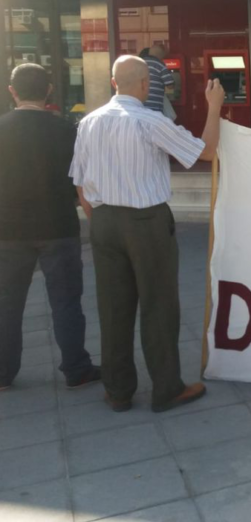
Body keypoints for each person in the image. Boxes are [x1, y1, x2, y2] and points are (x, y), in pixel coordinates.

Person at [70, 56, 225, 413]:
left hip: (103, 220)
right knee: (158, 305)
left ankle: (118, 390)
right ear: (144, 85)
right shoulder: (149, 120)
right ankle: (167, 388)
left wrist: (99, 219)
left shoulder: (88, 122)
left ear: (113, 83)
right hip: (146, 222)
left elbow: (79, 182)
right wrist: (213, 108)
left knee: (113, 309)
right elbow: (207, 152)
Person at [0, 64, 99, 392]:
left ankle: (3, 373)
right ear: (49, 90)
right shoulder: (68, 130)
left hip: (7, 230)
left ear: (12, 91)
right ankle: (76, 368)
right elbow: (81, 182)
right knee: (67, 300)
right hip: (59, 226)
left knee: (7, 302)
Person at [139, 44, 175, 114]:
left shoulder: (139, 63)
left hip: (140, 106)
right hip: (155, 107)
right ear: (161, 56)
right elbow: (170, 85)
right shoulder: (159, 64)